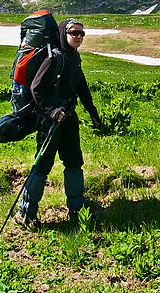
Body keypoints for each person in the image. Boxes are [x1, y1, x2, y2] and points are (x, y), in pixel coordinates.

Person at [14, 18, 102, 229]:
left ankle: (77, 210)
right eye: (74, 32)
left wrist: (92, 112)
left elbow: (81, 86)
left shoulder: (74, 57)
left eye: (82, 33)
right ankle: (25, 214)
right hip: (50, 122)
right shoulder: (54, 58)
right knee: (42, 165)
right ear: (64, 33)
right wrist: (53, 112)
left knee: (74, 162)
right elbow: (36, 89)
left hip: (69, 119)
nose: (79, 37)